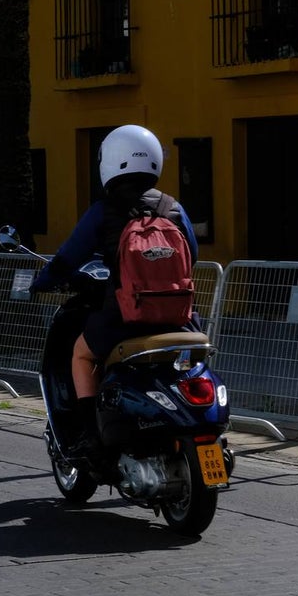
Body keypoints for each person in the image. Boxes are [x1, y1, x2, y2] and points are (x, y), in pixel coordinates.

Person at [30, 124, 200, 456]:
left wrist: (42, 282)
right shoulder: (174, 209)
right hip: (179, 317)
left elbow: (67, 259)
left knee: (80, 353)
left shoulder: (103, 211)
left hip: (123, 317)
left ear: (110, 161)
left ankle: (91, 434)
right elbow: (193, 253)